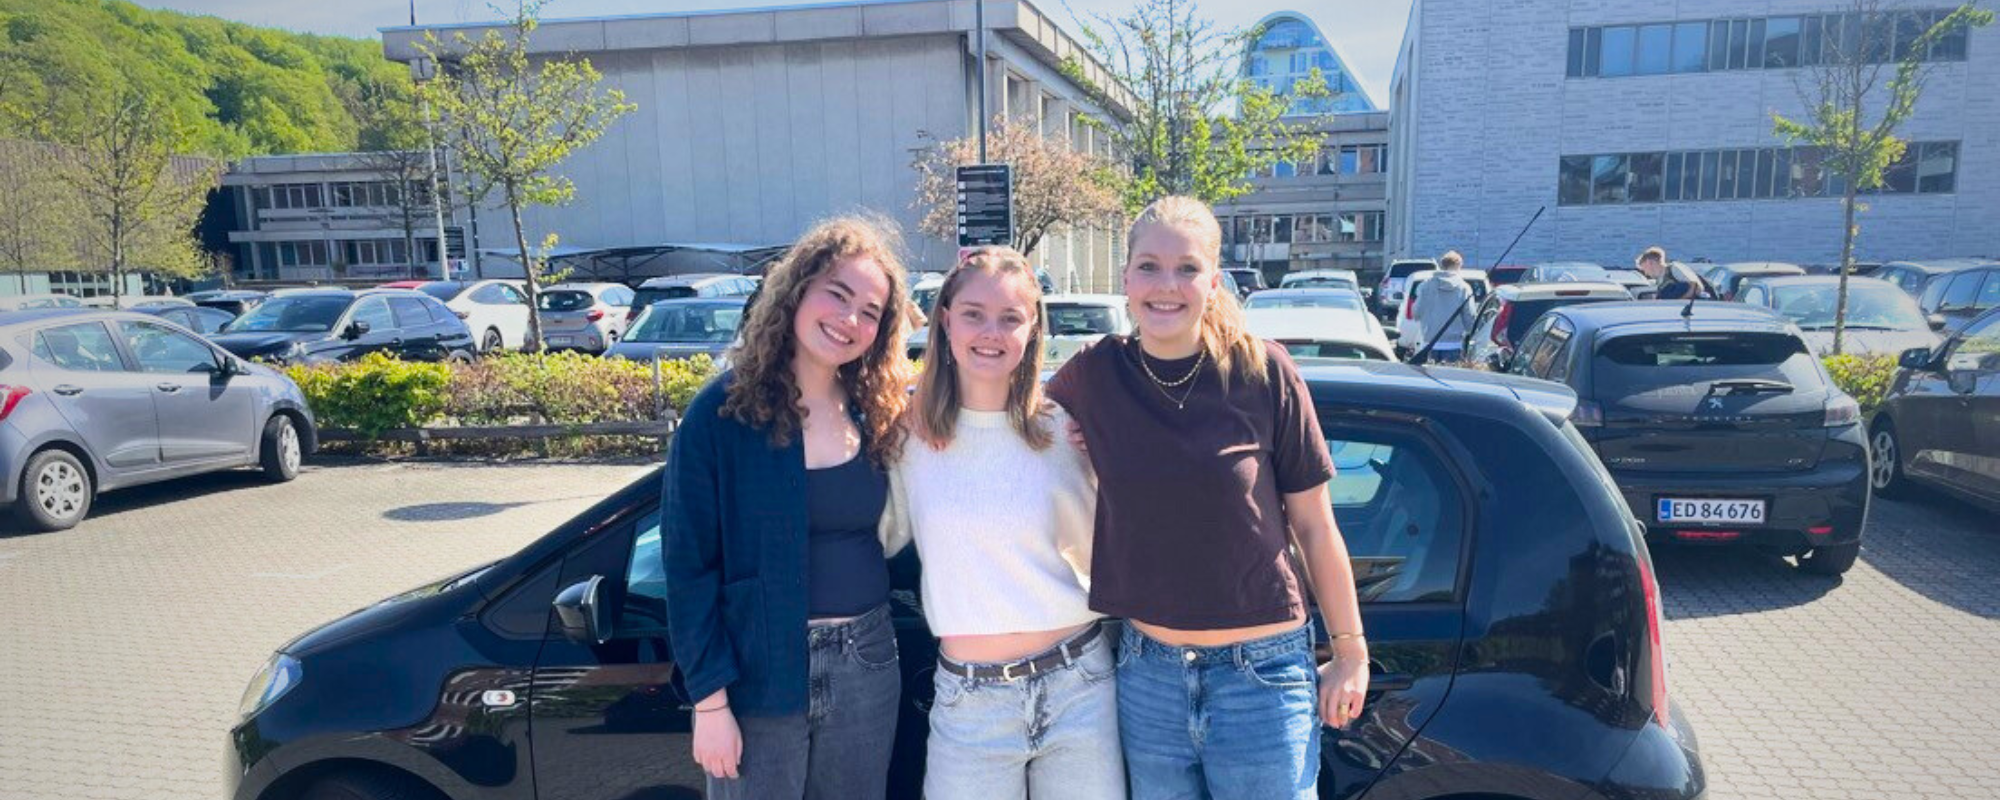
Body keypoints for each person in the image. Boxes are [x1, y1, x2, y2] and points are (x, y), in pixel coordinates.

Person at [1047, 196, 1370, 800]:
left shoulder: (1263, 372)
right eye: (1149, 266)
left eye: (1187, 268)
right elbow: (1010, 418)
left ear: (1213, 282)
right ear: (1125, 278)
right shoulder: (1096, 374)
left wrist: (1350, 650)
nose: (1166, 285)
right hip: (1148, 678)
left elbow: (1314, 525)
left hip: (1262, 678)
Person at [662, 216, 916, 800]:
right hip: (757, 670)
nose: (850, 319)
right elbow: (688, 567)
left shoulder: (876, 412)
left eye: (871, 312)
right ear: (798, 290)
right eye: (838, 294)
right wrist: (709, 702)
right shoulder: (721, 413)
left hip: (866, 664)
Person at [881, 246, 1123, 800]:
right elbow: (873, 538)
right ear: (946, 320)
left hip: (1079, 685)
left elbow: (1115, 543)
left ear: (1033, 329)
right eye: (974, 314)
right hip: (969, 701)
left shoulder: (1065, 429)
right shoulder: (906, 435)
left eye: (1010, 318)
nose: (991, 333)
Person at [1411, 250, 1474, 364]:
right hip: (1454, 344)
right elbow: (1469, 317)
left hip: (1429, 343)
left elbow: (1416, 313)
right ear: (1458, 266)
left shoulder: (1425, 286)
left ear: (1442, 265)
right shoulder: (1464, 288)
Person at [1637, 246, 1709, 300]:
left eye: (1644, 269)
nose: (1645, 273)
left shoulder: (1674, 269)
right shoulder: (1660, 281)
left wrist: (1678, 301)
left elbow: (1698, 287)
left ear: (1649, 262)